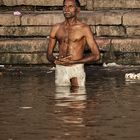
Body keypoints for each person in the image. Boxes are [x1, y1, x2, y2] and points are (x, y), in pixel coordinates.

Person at [47, 0, 100, 87]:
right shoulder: (56, 28)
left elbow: (96, 56)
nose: (66, 9)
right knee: (61, 98)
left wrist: (74, 62)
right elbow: (49, 55)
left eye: (70, 6)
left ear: (77, 10)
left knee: (77, 98)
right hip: (61, 68)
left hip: (76, 68)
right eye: (64, 6)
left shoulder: (84, 29)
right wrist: (56, 61)